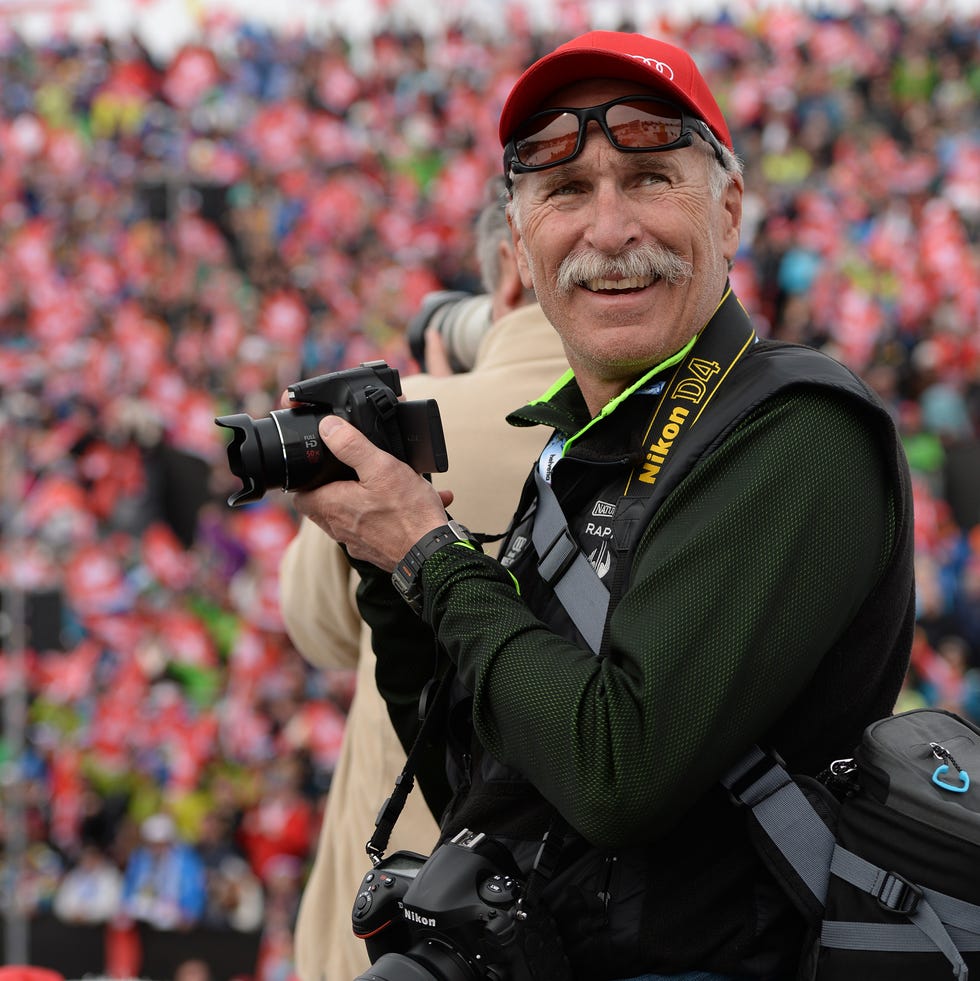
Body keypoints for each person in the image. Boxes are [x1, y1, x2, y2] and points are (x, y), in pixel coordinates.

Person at [288, 31, 914, 981]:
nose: (609, 228)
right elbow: (477, 773)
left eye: (650, 177)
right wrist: (386, 565)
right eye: (566, 191)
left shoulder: (800, 430)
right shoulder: (579, 447)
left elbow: (617, 770)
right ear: (521, 239)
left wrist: (429, 551)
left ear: (730, 206)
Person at [279, 175, 569, 981]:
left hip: (404, 919)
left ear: (508, 272)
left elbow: (318, 628)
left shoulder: (407, 421)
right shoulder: (693, 428)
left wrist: (433, 390)